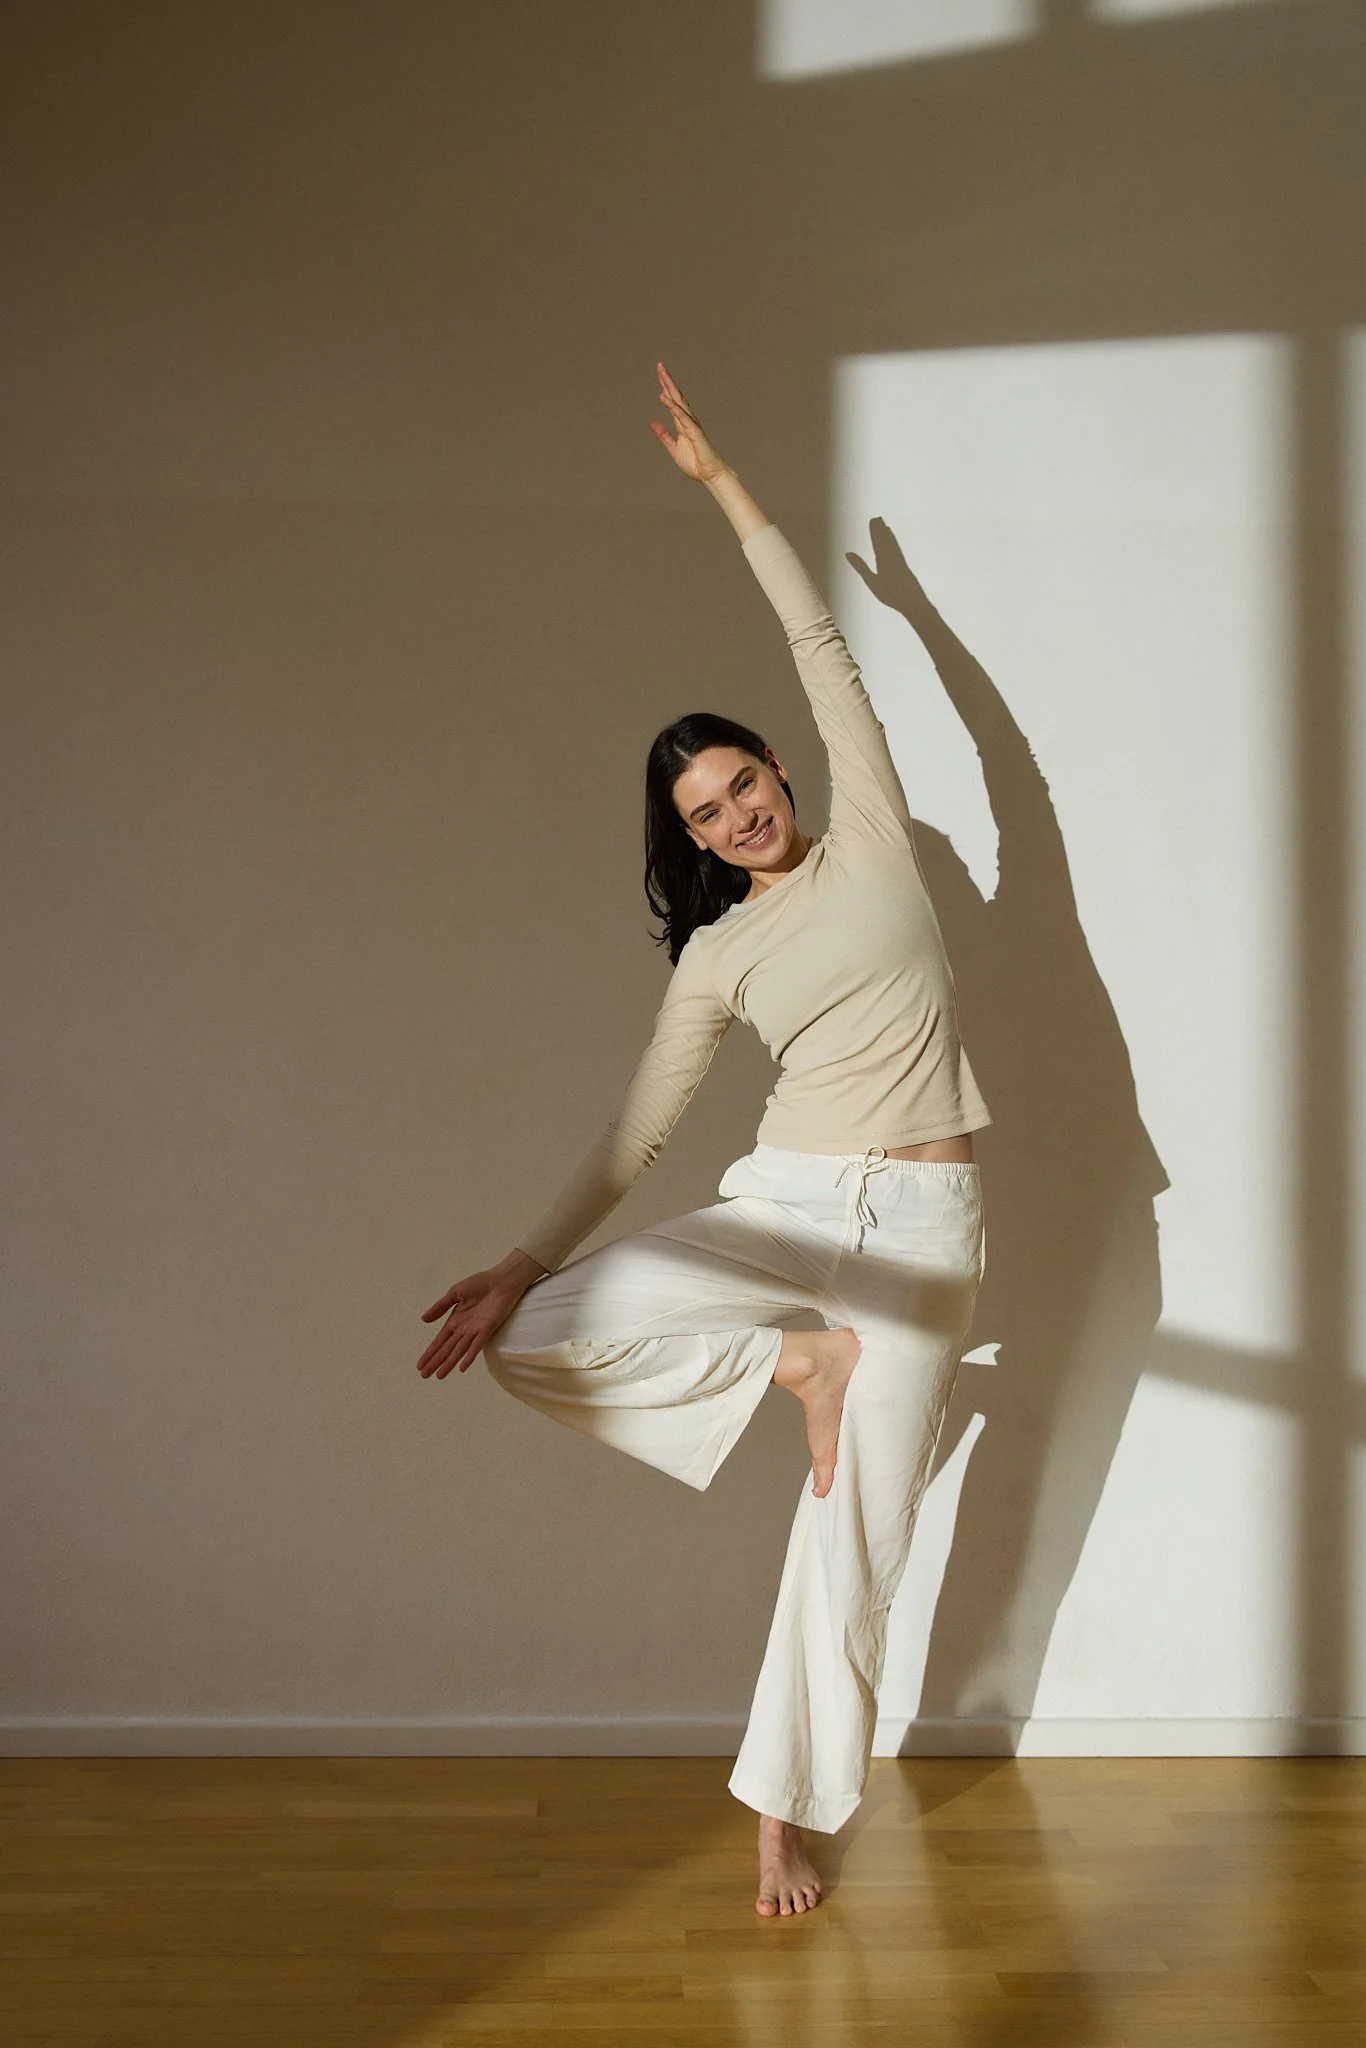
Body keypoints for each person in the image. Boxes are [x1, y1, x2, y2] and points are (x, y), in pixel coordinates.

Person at [416, 362, 990, 1918]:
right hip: (796, 1203)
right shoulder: (716, 958)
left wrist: (724, 487)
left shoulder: (868, 827)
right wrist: (519, 1260)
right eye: (704, 813)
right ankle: (789, 1365)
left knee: (851, 1547)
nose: (735, 815)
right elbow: (639, 1133)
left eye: (743, 782)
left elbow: (818, 641)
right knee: (538, 1333)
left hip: (927, 1232)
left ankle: (779, 1817)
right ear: (686, 840)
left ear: (784, 773)